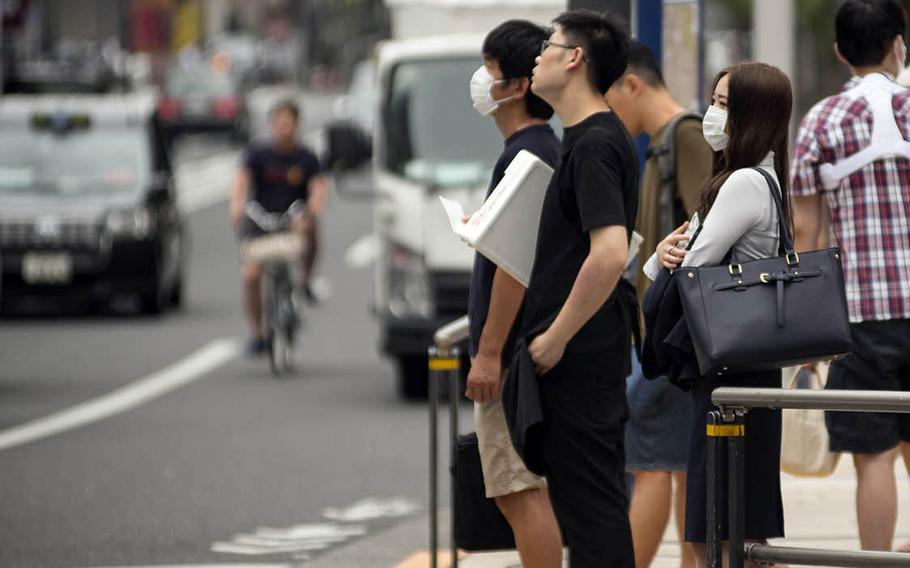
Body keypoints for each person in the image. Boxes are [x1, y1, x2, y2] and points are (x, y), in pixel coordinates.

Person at [653, 62, 791, 566]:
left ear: (754, 113)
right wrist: (667, 255)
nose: (713, 114)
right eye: (713, 100)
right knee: (735, 531)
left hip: (731, 369)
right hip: (742, 363)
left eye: (726, 104)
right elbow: (669, 258)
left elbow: (691, 265)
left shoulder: (745, 185)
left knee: (722, 531)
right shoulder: (754, 179)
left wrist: (670, 257)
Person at [790, 0, 910, 553]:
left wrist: (807, 332)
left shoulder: (820, 121)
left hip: (861, 313)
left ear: (840, 52)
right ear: (898, 46)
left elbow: (807, 232)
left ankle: (878, 565)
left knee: (876, 457)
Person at [521, 10, 638, 566]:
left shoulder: (593, 144)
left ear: (575, 59)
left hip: (581, 356)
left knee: (592, 512)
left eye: (549, 45)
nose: (538, 55)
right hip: (588, 352)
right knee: (587, 506)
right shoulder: (589, 136)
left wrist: (556, 338)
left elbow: (611, 251)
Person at [606, 39, 711, 568]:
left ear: (633, 84)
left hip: (673, 333)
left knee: (650, 461)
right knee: (678, 463)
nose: (609, 112)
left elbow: (706, 229)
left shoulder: (684, 135)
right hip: (670, 332)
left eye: (610, 96)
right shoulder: (662, 142)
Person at [464, 20, 563, 568]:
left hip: (512, 351)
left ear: (518, 85)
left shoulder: (527, 154)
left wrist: (489, 351)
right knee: (522, 490)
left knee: (518, 491)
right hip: (523, 347)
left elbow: (514, 266)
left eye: (491, 71)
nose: (481, 81)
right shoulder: (537, 150)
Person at [229, 99, 328, 355]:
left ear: (297, 125)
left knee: (311, 231)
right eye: (279, 123)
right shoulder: (258, 154)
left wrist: (312, 210)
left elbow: (318, 188)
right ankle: (257, 333)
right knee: (251, 275)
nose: (284, 128)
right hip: (261, 219)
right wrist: (237, 207)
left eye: (289, 123)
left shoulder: (306, 157)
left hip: (293, 218)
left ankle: (305, 281)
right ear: (272, 125)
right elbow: (241, 182)